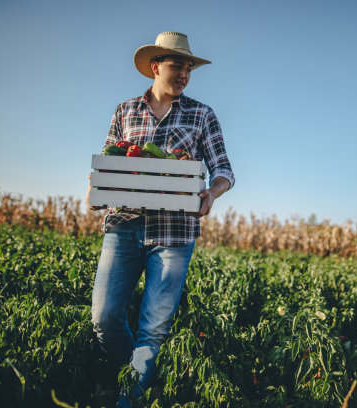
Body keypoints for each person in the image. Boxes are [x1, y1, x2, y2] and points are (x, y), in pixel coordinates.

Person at [85, 31, 235, 407]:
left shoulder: (202, 114)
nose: (184, 73)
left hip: (175, 233)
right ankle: (132, 374)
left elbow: (225, 170)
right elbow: (111, 159)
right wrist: (96, 187)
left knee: (154, 328)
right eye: (177, 65)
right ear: (156, 67)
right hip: (123, 226)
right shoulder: (125, 111)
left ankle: (128, 398)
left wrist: (211, 193)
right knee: (104, 317)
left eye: (189, 68)